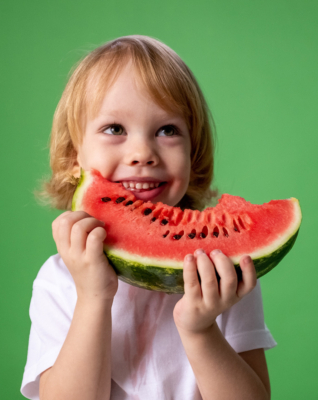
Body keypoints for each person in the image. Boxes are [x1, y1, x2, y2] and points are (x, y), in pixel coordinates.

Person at [21, 35, 276, 400]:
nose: (142, 152)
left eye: (167, 130)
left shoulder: (220, 272)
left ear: (194, 151)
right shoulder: (59, 281)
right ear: (74, 155)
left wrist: (201, 330)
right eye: (114, 129)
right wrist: (93, 296)